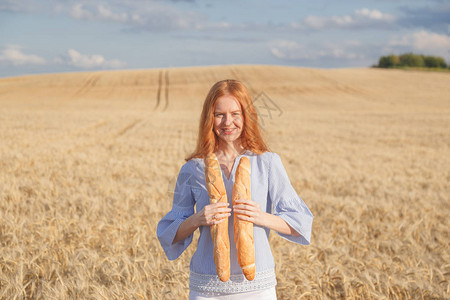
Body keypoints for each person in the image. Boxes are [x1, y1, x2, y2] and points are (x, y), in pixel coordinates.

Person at [157, 79, 313, 299]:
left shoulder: (267, 162)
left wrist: (261, 217)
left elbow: (301, 222)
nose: (227, 122)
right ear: (209, 119)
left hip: (257, 286)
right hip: (207, 287)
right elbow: (168, 235)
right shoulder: (193, 168)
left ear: (246, 116)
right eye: (219, 114)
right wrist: (198, 219)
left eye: (235, 114)